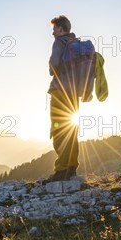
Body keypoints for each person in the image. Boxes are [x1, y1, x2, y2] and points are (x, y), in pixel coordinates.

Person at [46, 15, 79, 182]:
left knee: (59, 130)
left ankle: (61, 171)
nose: (52, 32)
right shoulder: (76, 43)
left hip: (60, 92)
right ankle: (71, 168)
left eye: (54, 29)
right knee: (71, 130)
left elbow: (54, 65)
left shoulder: (59, 42)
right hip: (74, 94)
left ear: (60, 28)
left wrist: (50, 68)